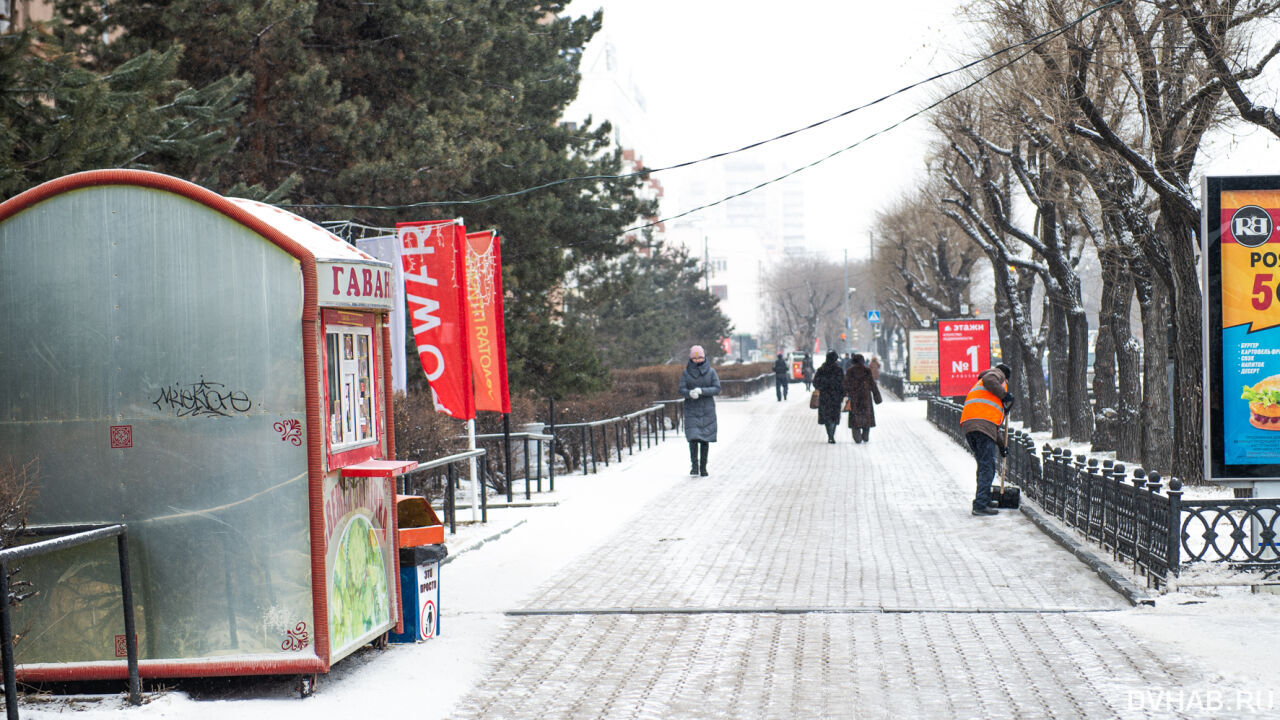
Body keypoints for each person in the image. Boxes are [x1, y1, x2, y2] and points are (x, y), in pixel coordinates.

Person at [959, 363, 1014, 516]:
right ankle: (980, 505)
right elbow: (991, 379)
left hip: (971, 426)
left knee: (984, 465)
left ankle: (983, 498)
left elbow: (991, 427)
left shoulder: (983, 390)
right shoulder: (996, 374)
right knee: (987, 466)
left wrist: (1002, 446)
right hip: (980, 427)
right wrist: (1005, 395)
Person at [680, 345, 721, 476]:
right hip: (691, 409)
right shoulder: (686, 373)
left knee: (704, 439)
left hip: (707, 409)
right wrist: (689, 393)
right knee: (693, 439)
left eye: (700, 357)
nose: (698, 360)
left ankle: (703, 467)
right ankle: (694, 466)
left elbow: (717, 388)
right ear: (691, 358)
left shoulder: (711, 372)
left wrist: (702, 391)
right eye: (695, 358)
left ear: (704, 357)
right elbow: (681, 389)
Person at [844, 354, 882, 443]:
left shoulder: (850, 371)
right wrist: (877, 398)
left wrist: (844, 394)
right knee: (866, 417)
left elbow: (845, 384)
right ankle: (865, 435)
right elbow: (873, 385)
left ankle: (857, 437)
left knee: (855, 418)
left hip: (854, 398)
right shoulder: (867, 371)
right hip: (866, 398)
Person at [812, 351, 845, 443]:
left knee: (826, 416)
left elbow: (815, 382)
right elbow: (843, 383)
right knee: (834, 416)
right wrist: (842, 393)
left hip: (824, 396)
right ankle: (832, 434)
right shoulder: (839, 370)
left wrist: (822, 386)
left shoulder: (821, 370)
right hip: (836, 396)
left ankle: (830, 434)